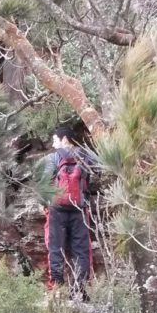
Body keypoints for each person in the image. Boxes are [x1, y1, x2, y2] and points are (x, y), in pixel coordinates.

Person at [43, 126, 98, 299]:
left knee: (55, 249)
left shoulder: (53, 157)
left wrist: (43, 203)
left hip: (57, 210)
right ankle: (79, 290)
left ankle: (56, 289)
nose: (53, 144)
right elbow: (102, 168)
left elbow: (43, 183)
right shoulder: (86, 155)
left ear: (64, 139)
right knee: (81, 250)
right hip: (80, 210)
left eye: (55, 140)